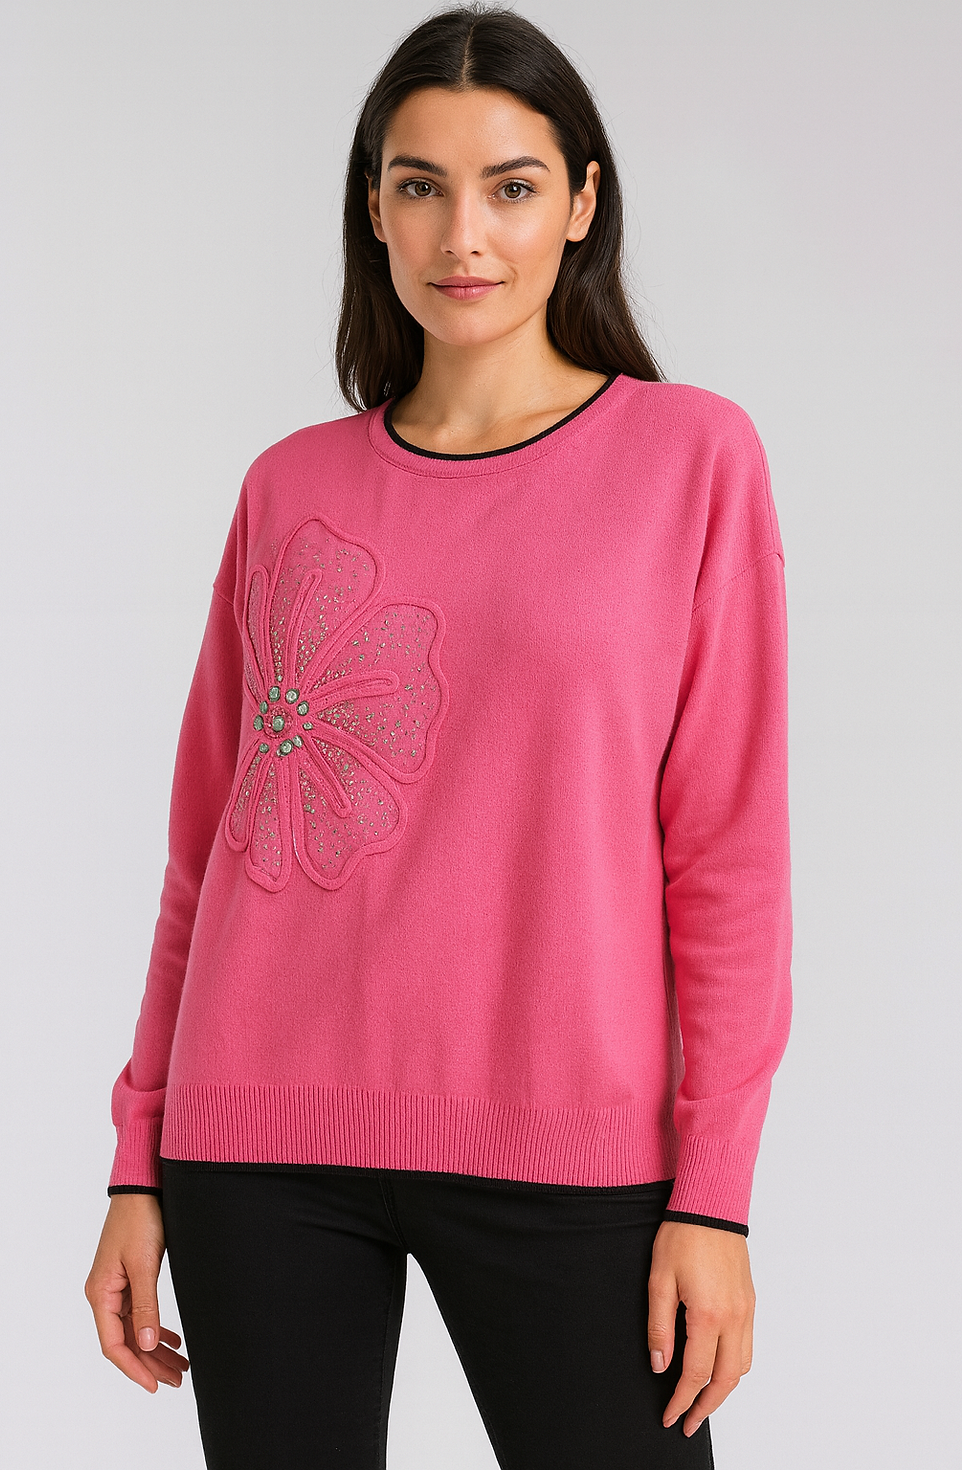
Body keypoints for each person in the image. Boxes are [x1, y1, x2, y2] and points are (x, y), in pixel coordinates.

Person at [85, 6, 792, 1467]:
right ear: (375, 208)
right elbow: (205, 850)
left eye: (510, 186)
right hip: (259, 1141)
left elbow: (728, 858)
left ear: (581, 203)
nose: (462, 234)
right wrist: (135, 1161)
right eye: (420, 185)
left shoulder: (691, 459)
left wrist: (715, 1195)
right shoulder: (289, 486)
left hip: (570, 1142)